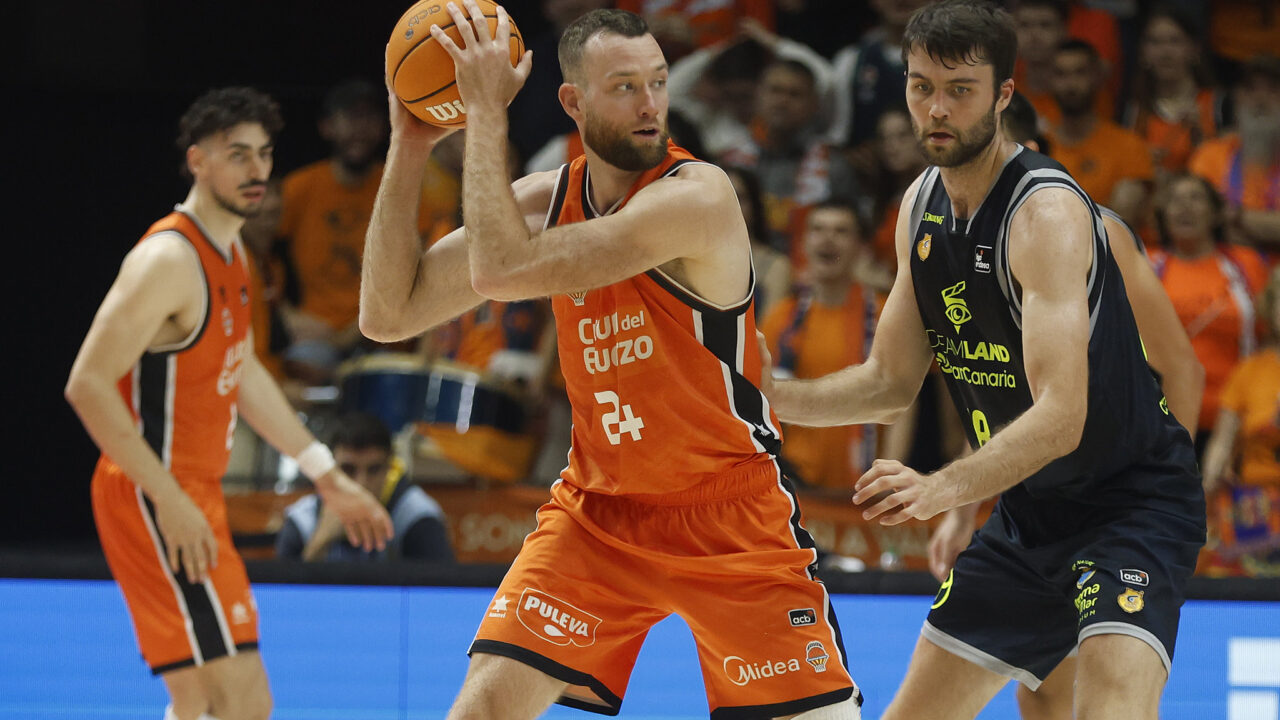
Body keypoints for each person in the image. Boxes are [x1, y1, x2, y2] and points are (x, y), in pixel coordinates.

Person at [361, 6, 861, 718]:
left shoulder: (699, 197)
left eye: (657, 81)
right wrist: (410, 143)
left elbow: (502, 273)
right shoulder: (545, 202)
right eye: (624, 85)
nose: (651, 102)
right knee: (482, 708)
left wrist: (483, 116)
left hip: (727, 516)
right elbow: (387, 315)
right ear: (573, 102)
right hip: (598, 514)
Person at [760, 2, 1206, 718]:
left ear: (1002, 95)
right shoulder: (918, 207)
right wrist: (765, 393)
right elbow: (887, 383)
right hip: (1032, 512)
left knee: (1111, 703)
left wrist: (943, 491)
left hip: (1132, 504)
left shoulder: (1047, 216)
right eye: (920, 86)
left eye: (959, 89)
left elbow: (1061, 417)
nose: (936, 108)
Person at [64, 87, 392, 720]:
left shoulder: (236, 255)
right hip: (154, 494)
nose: (257, 170)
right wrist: (170, 498)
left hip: (191, 493)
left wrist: (327, 475)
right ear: (198, 162)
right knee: (237, 702)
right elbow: (87, 385)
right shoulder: (167, 258)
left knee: (200, 705)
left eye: (264, 154)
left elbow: (243, 377)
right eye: (237, 155)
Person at [926, 88, 1205, 720]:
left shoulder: (1093, 231)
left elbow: (1182, 368)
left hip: (1121, 496)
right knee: (1043, 690)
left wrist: (1164, 481)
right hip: (1041, 503)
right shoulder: (970, 243)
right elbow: (1008, 402)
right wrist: (961, 508)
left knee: (1096, 694)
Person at [276, 79, 431, 384]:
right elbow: (256, 253)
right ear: (327, 127)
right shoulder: (301, 187)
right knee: (298, 368)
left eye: (369, 117)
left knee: (391, 381)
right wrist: (287, 316)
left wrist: (359, 331)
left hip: (385, 337)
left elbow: (421, 266)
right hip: (317, 338)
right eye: (350, 117)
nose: (360, 128)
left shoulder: (403, 187)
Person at [759, 200, 896, 491]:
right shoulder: (780, 318)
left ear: (861, 246)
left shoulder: (886, 317)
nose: (827, 239)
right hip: (793, 483)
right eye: (818, 229)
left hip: (867, 483)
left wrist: (892, 479)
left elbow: (904, 405)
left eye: (841, 231)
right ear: (803, 243)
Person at [1148, 173, 1268, 454]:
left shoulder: (1246, 265)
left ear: (1216, 214)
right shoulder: (1147, 265)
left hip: (1237, 418)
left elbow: (1269, 335)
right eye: (1175, 200)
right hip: (1162, 420)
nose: (1184, 207)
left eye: (1196, 198)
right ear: (1163, 214)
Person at [276, 412, 455, 563]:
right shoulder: (303, 519)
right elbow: (278, 600)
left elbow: (442, 597)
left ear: (389, 468)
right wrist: (319, 542)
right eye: (348, 470)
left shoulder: (416, 515)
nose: (361, 484)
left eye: (374, 470)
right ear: (329, 468)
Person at [1201, 266, 1280, 577]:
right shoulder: (1250, 371)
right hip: (1254, 506)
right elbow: (1221, 442)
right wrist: (1207, 490)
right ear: (1271, 308)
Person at [1046, 39, 1154, 230]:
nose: (1071, 84)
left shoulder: (1128, 145)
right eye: (1061, 74)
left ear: (1097, 77)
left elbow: (1124, 222)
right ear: (1050, 80)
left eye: (1080, 73)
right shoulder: (1038, 144)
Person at [1187, 54, 1280, 249]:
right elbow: (1197, 222)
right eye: (1250, 89)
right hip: (1223, 269)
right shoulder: (1209, 154)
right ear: (1237, 97)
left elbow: (1216, 222)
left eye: (1273, 90)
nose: (1260, 100)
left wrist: (1236, 216)